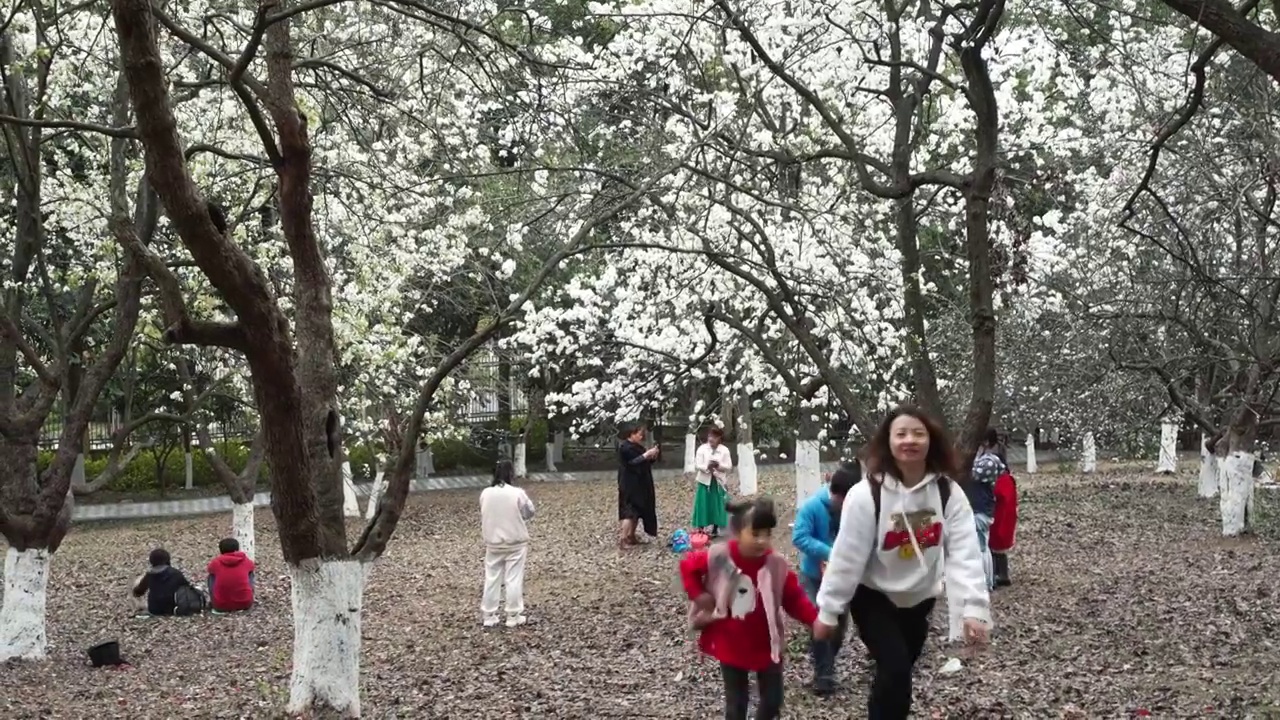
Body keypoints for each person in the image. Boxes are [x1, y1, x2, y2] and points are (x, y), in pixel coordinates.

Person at [814, 405, 991, 720]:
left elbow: (965, 553)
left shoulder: (948, 493)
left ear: (930, 441)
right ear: (888, 442)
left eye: (918, 433)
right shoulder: (866, 494)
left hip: (920, 599)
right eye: (901, 433)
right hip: (874, 598)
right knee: (896, 670)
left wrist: (974, 609)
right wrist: (829, 609)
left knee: (896, 675)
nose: (910, 440)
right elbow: (847, 556)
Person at [681, 498, 817, 720]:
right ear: (737, 531)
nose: (762, 540)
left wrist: (815, 620)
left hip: (766, 641)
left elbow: (794, 598)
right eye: (755, 534)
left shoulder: (775, 565)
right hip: (731, 639)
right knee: (737, 703)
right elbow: (688, 566)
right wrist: (700, 595)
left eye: (767, 534)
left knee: (773, 700)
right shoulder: (722, 557)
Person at [792, 462, 859, 696]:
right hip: (812, 576)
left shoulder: (854, 510)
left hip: (842, 577)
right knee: (818, 621)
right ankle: (824, 674)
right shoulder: (811, 507)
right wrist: (831, 553)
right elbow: (799, 537)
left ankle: (826, 664)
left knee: (838, 627)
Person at [480, 459, 535, 628]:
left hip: (493, 542)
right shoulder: (517, 493)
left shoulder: (486, 493)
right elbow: (529, 512)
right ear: (511, 473)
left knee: (492, 577)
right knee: (513, 578)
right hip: (515, 542)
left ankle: (489, 614)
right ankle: (513, 614)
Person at [968, 428, 1004, 590]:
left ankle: (985, 582)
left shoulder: (988, 461)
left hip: (980, 509)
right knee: (980, 546)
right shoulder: (984, 459)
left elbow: (969, 474)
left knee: (981, 547)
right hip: (979, 508)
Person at [617, 422, 660, 548]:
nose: (641, 437)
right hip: (629, 484)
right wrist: (646, 455)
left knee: (637, 510)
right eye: (639, 434)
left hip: (641, 483)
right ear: (632, 434)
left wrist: (652, 456)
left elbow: (644, 462)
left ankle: (631, 536)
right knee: (628, 511)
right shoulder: (625, 447)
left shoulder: (637, 447)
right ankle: (623, 538)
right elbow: (632, 463)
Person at [692, 427, 733, 536]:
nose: (711, 439)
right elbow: (698, 464)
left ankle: (716, 527)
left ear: (719, 438)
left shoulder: (724, 450)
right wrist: (707, 467)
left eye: (714, 437)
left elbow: (728, 466)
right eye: (710, 436)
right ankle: (701, 527)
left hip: (718, 481)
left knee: (717, 504)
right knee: (703, 503)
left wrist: (718, 466)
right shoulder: (702, 449)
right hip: (704, 480)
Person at [130, 548, 191, 616]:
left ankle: (138, 608)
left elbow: (138, 592)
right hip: (173, 608)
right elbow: (187, 588)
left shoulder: (150, 575)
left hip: (155, 610)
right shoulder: (176, 573)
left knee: (137, 582)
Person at [206, 538, 255, 612]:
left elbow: (209, 569)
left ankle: (215, 599)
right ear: (237, 549)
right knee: (250, 573)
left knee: (211, 576)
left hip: (220, 606)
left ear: (221, 550)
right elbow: (252, 566)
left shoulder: (216, 562)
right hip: (245, 604)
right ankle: (247, 596)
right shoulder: (245, 560)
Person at [989, 466, 1018, 587]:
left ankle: (999, 573)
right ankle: (1001, 573)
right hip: (1004, 515)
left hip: (999, 515)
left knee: (995, 545)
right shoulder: (1007, 479)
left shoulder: (1002, 480)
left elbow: (999, 494)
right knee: (997, 547)